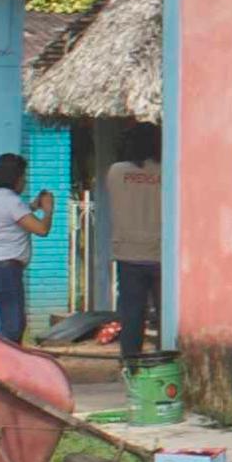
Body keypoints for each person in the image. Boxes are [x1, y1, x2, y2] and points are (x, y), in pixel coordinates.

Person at [100, 126, 164, 367]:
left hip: (127, 254)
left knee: (132, 315)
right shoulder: (167, 171)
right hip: (159, 253)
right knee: (164, 314)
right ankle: (164, 362)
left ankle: (130, 365)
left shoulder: (116, 172)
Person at [0, 151, 50, 348]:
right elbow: (41, 230)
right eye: (23, 177)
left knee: (12, 322)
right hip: (6, 269)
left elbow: (13, 220)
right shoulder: (11, 201)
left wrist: (33, 207)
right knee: (13, 326)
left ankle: (8, 367)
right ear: (14, 178)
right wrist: (48, 210)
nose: (24, 182)